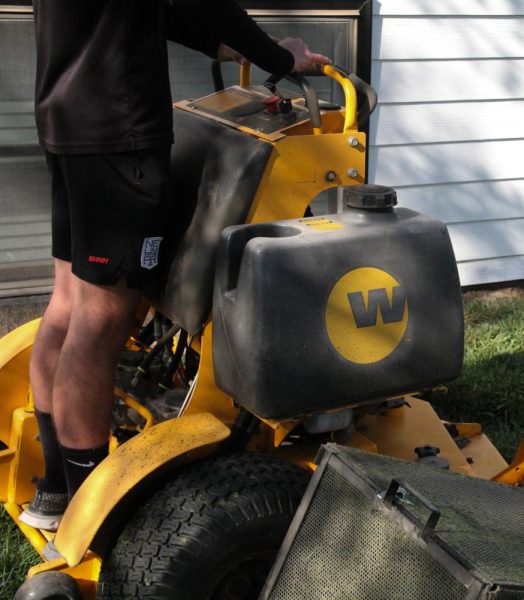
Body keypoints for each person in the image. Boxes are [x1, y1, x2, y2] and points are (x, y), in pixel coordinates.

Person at [19, 0, 330, 537]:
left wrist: (215, 44)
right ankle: (94, 516)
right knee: (99, 323)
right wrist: (278, 55)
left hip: (69, 121)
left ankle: (55, 488)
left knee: (68, 306)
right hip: (120, 136)